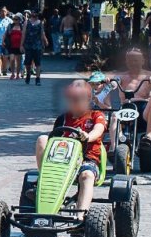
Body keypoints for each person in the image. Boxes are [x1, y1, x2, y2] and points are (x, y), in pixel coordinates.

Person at [33, 80, 107, 221]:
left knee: (87, 176)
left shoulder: (96, 116)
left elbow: (99, 130)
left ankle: (81, 215)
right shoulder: (63, 119)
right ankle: (44, 183)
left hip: (87, 161)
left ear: (88, 99)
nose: (73, 103)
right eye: (70, 100)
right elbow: (54, 140)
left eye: (77, 100)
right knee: (42, 139)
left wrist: (87, 136)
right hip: (61, 163)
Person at [117, 46, 151, 145]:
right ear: (126, 62)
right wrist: (108, 82)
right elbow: (113, 83)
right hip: (126, 110)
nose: (133, 63)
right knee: (112, 116)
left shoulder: (150, 75)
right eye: (130, 60)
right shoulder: (121, 76)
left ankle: (148, 136)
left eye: (136, 60)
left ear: (142, 61)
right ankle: (115, 146)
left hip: (145, 113)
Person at [22, 11, 48, 85]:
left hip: (37, 45)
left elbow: (42, 33)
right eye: (33, 13)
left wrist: (45, 41)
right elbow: (23, 34)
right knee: (28, 63)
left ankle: (38, 78)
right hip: (28, 45)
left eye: (36, 14)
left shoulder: (40, 23)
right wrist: (21, 45)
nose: (35, 15)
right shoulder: (26, 23)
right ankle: (28, 75)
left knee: (38, 63)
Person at [7, 13, 24, 80]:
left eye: (16, 19)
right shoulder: (10, 26)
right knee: (12, 59)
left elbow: (24, 35)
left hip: (19, 45)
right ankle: (12, 74)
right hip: (11, 45)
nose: (14, 20)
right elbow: (6, 34)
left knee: (18, 60)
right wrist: (3, 41)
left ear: (19, 20)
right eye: (14, 19)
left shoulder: (22, 26)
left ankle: (17, 74)